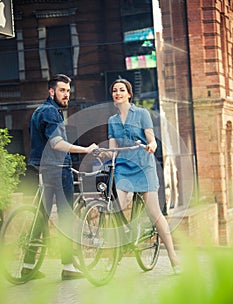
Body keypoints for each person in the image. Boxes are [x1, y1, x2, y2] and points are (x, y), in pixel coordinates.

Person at [24, 73, 98, 280]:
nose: (66, 95)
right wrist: (85, 150)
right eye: (62, 90)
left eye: (68, 90)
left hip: (41, 168)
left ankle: (27, 266)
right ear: (51, 91)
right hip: (57, 168)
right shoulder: (51, 113)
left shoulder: (40, 111)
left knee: (41, 217)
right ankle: (68, 267)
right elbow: (56, 143)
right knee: (66, 217)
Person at [107, 78, 180, 273]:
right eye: (115, 90)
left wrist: (152, 146)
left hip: (143, 165)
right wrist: (103, 153)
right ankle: (124, 239)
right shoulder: (112, 121)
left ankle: (174, 259)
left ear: (129, 94)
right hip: (123, 166)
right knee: (118, 208)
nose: (118, 93)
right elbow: (113, 148)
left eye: (122, 90)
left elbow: (151, 139)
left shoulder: (141, 114)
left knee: (155, 213)